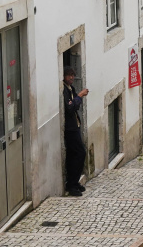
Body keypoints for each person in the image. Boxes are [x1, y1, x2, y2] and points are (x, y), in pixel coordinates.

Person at [62, 66, 88, 197]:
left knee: (75, 155)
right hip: (70, 129)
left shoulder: (70, 88)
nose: (71, 77)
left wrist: (77, 98)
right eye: (68, 75)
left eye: (73, 75)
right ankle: (71, 184)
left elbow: (74, 105)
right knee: (80, 153)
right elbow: (70, 108)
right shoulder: (65, 90)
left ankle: (74, 182)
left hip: (75, 126)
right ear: (64, 76)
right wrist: (79, 96)